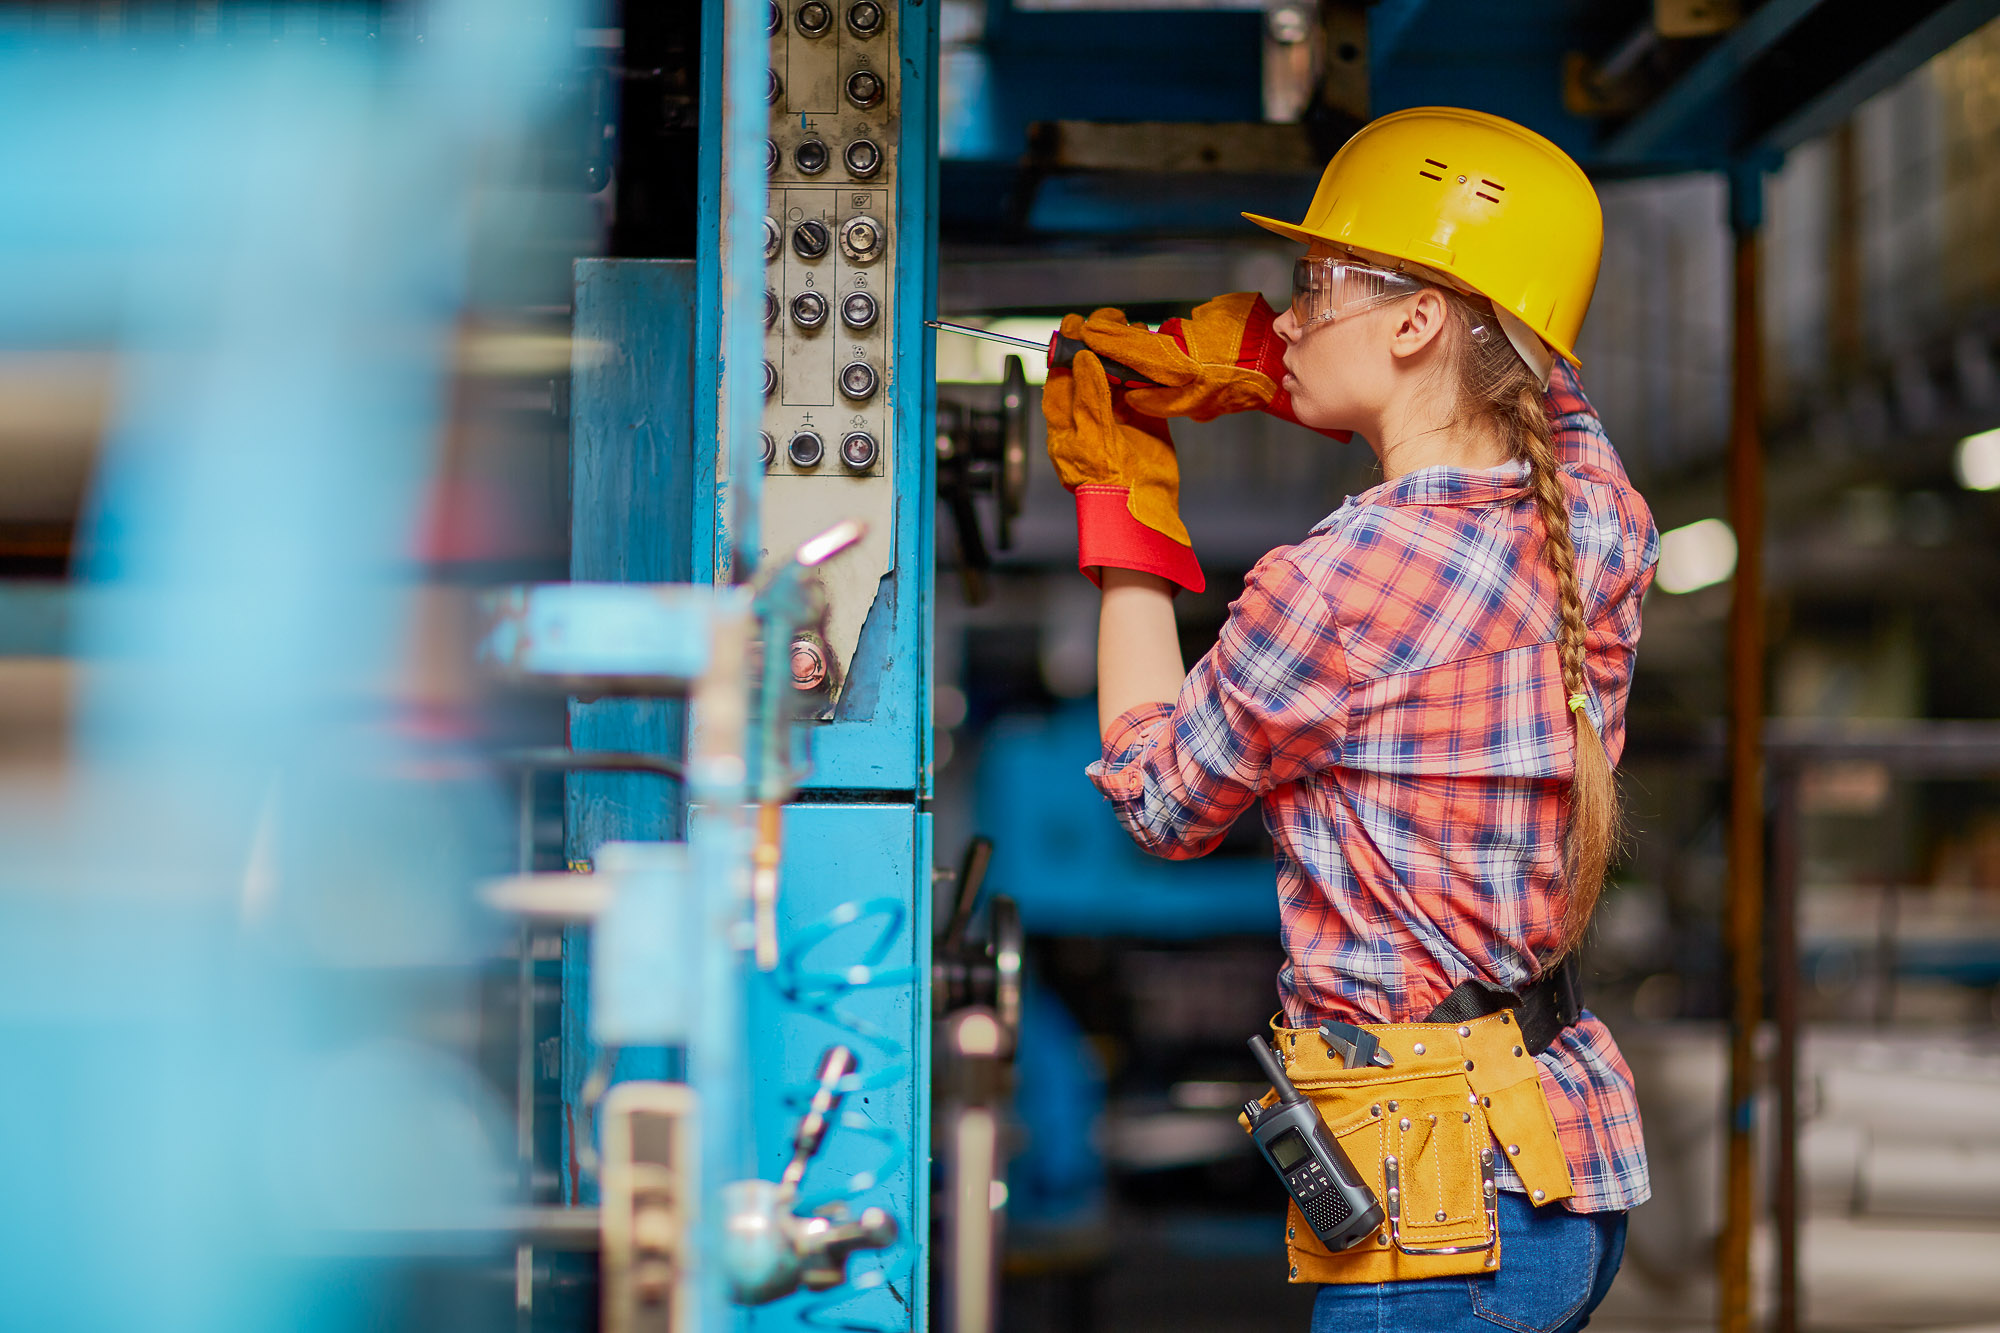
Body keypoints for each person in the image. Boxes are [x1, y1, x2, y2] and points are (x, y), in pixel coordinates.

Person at [1040, 107, 1657, 1332]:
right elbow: (1536, 389)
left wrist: (1122, 507)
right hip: (1560, 1161)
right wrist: (1294, 362)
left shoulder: (1337, 580)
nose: (1287, 314)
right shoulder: (1593, 513)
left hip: (1432, 1198)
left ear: (1419, 320)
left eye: (1314, 284)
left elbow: (1162, 802)